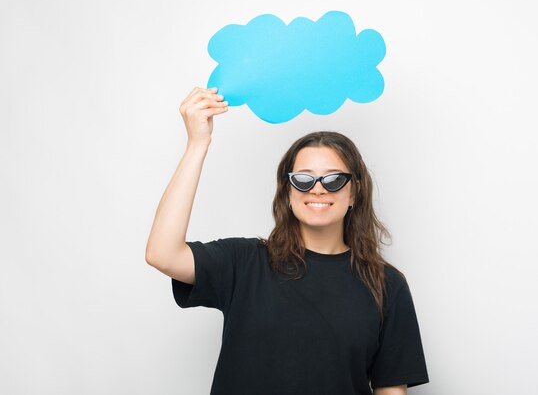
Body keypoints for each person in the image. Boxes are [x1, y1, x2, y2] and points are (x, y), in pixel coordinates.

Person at [145, 87, 429, 395]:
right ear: (288, 191)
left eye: (334, 179)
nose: (318, 190)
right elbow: (163, 253)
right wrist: (197, 145)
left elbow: (391, 389)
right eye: (303, 179)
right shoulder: (245, 262)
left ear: (355, 192)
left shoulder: (387, 284)